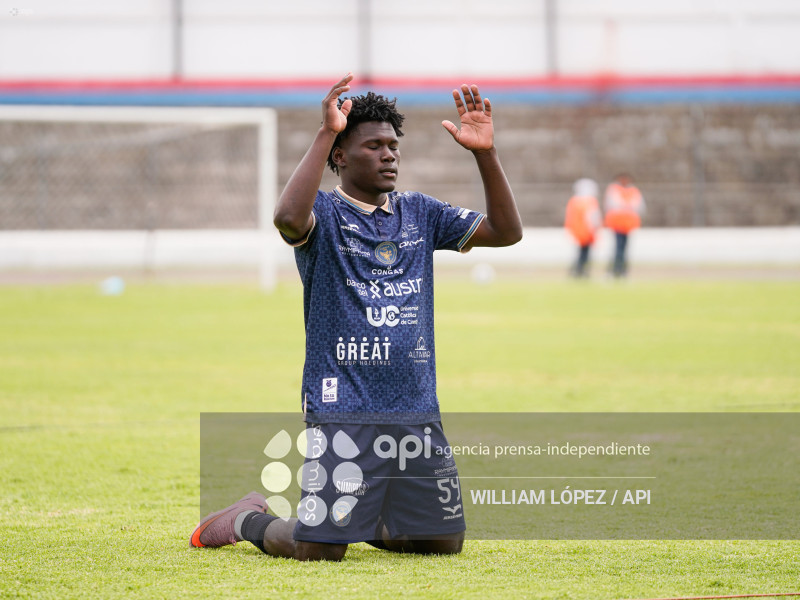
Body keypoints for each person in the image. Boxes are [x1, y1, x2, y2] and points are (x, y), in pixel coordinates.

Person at [190, 73, 522, 561]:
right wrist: (327, 131)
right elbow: (286, 218)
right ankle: (248, 518)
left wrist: (485, 154)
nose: (389, 154)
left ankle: (353, 520)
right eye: (374, 146)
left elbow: (505, 231)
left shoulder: (420, 212)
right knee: (317, 551)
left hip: (415, 408)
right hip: (343, 407)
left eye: (393, 145)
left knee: (441, 543)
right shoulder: (321, 214)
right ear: (341, 157)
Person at [603, 173, 645, 278]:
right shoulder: (614, 190)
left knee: (624, 248)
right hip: (617, 224)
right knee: (618, 248)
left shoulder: (633, 191)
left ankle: (622, 269)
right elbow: (612, 205)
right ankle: (616, 268)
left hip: (628, 225)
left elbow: (639, 206)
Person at [564, 178, 601, 278]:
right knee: (584, 253)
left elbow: (569, 218)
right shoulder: (589, 201)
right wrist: (594, 230)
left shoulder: (574, 201)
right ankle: (581, 271)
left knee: (580, 252)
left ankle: (577, 270)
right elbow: (593, 218)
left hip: (578, 232)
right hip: (586, 232)